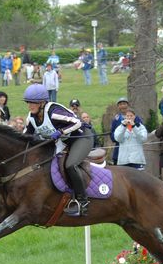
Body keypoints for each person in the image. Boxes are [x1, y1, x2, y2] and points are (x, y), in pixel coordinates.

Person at [23, 84, 93, 216]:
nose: (30, 105)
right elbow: (25, 138)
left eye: (34, 102)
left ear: (42, 102)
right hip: (63, 143)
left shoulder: (54, 112)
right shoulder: (31, 118)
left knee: (70, 165)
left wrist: (61, 131)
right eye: (28, 102)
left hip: (81, 138)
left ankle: (83, 202)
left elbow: (77, 122)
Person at [110, 97, 143, 165]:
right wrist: (119, 137)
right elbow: (112, 135)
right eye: (120, 104)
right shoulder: (116, 119)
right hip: (119, 149)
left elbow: (141, 132)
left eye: (124, 104)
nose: (123, 106)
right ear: (118, 106)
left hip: (134, 149)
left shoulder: (136, 118)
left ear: (128, 105)